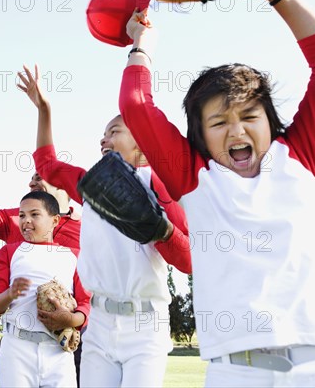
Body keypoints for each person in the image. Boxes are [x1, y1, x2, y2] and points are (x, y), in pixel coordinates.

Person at [119, 0, 315, 386]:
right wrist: (141, 46)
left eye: (250, 115)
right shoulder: (195, 178)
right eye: (218, 123)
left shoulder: (300, 156)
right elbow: (136, 104)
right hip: (235, 370)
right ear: (199, 137)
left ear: (270, 120)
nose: (237, 130)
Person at [18, 64, 191, 387]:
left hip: (145, 324)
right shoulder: (92, 187)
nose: (104, 137)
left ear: (142, 144)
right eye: (104, 132)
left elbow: (189, 261)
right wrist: (44, 108)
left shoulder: (159, 185)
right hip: (99, 324)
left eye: (115, 131)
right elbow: (47, 164)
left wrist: (161, 230)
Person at [0, 191, 90, 387]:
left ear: (54, 220)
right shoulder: (9, 252)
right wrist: (10, 294)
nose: (26, 220)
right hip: (17, 349)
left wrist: (70, 319)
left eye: (35, 214)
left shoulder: (74, 256)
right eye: (22, 215)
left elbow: (86, 305)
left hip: (58, 351)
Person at [0, 131, 81, 250]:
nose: (31, 184)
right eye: (32, 179)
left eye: (39, 177)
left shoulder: (88, 227)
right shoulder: (15, 218)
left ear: (62, 183)